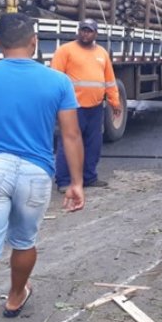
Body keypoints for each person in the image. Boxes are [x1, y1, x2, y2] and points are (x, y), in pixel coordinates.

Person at [0, 13, 85, 322]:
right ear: (34, 42)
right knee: (24, 241)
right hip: (36, 174)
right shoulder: (57, 81)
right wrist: (75, 182)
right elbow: (70, 136)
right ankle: (15, 296)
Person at [51, 19, 122, 192]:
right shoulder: (65, 51)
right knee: (69, 142)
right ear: (78, 31)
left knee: (94, 144)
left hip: (95, 107)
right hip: (72, 108)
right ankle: (64, 180)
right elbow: (54, 79)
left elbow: (109, 80)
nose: (85, 34)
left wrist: (115, 102)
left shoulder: (102, 53)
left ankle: (89, 177)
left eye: (89, 31)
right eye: (83, 30)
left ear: (95, 34)